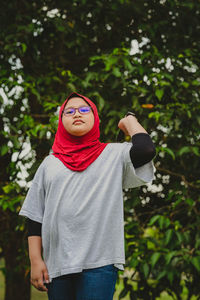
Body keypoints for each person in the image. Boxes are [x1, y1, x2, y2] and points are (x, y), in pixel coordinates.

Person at [19, 92, 156, 300]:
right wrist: (36, 261)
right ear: (61, 121)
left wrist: (130, 121)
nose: (77, 114)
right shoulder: (49, 164)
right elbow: (35, 217)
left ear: (95, 118)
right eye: (69, 111)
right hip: (57, 265)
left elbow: (145, 149)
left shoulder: (113, 155)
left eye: (84, 110)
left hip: (99, 264)